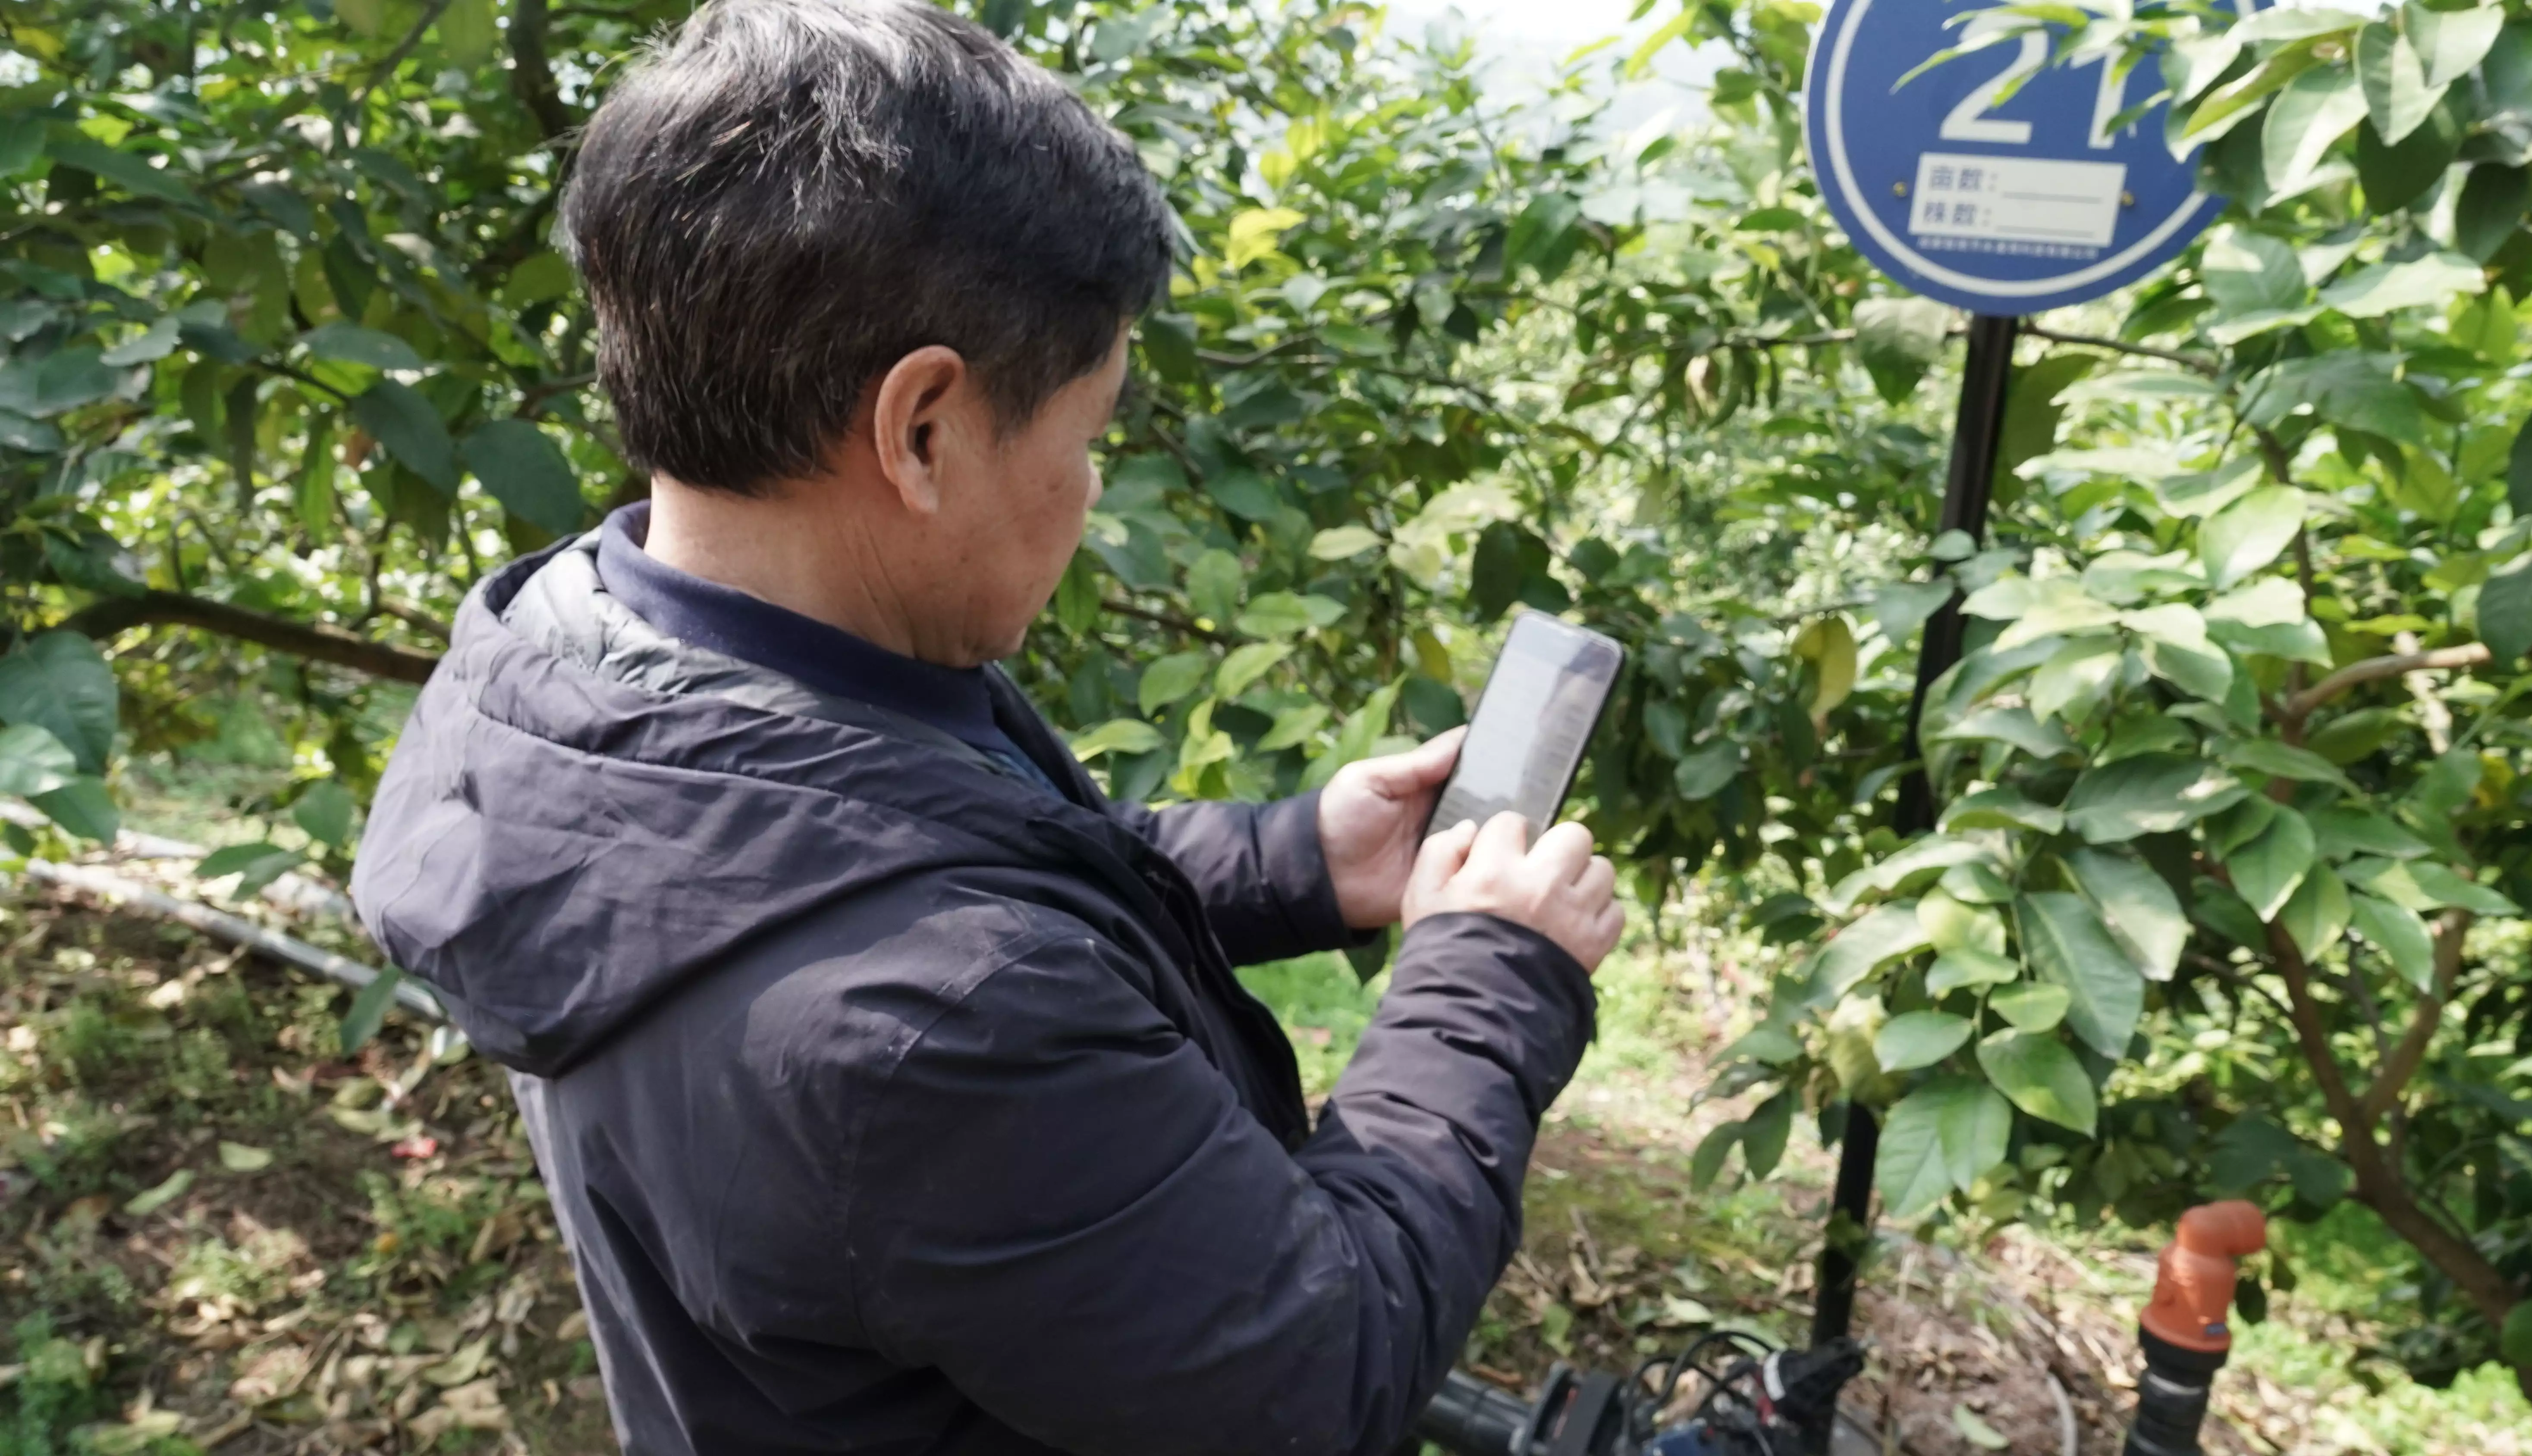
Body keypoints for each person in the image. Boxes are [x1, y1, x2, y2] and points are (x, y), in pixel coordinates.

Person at [350, 2, 1622, 1452]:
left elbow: (842, 861)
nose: (1091, 491)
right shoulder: (934, 1034)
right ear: (923, 431)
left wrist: (1294, 861)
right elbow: (1313, 1369)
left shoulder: (568, 667)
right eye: (1088, 437)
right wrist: (1487, 983)